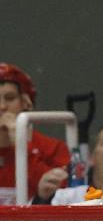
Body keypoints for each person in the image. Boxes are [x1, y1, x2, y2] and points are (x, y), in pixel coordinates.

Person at [0, 63, 70, 204]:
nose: (2, 106)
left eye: (10, 98)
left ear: (26, 103)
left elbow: (64, 196)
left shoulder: (53, 148)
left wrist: (21, 143)